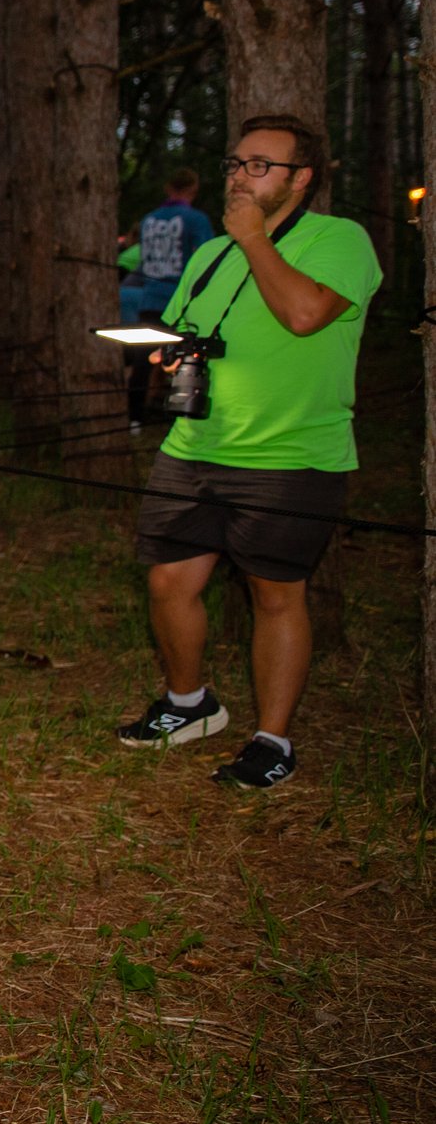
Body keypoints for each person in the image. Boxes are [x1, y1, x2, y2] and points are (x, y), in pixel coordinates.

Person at [119, 115, 381, 790]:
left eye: (260, 165)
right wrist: (168, 352)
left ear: (302, 178)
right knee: (168, 582)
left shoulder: (339, 240)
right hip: (195, 445)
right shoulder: (210, 253)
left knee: (275, 593)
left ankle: (273, 740)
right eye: (236, 163)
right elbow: (187, 329)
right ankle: (189, 704)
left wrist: (256, 239)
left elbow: (304, 314)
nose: (240, 175)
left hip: (289, 454)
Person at [120, 169, 214, 424]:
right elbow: (208, 256)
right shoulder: (195, 219)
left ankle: (135, 418)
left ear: (167, 188)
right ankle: (181, 415)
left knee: (143, 360)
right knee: (187, 357)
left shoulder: (149, 220)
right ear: (193, 189)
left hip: (150, 298)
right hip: (181, 300)